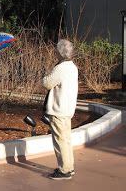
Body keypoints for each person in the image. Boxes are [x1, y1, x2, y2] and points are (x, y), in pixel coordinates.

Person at [42, 39, 78, 180]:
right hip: (67, 108)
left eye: (56, 50)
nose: (55, 52)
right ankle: (69, 167)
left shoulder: (61, 68)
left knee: (60, 140)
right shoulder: (73, 67)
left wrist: (45, 76)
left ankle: (64, 171)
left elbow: (47, 83)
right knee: (66, 140)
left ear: (60, 52)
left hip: (58, 109)